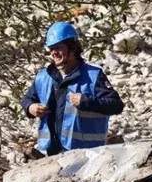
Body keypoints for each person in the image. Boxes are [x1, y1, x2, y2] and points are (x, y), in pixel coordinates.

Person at [20, 21, 124, 156]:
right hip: (49, 153)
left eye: (58, 48)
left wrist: (86, 102)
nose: (54, 53)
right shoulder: (43, 76)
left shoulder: (93, 76)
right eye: (51, 48)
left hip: (86, 156)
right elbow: (27, 99)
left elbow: (116, 105)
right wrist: (31, 107)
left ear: (73, 47)